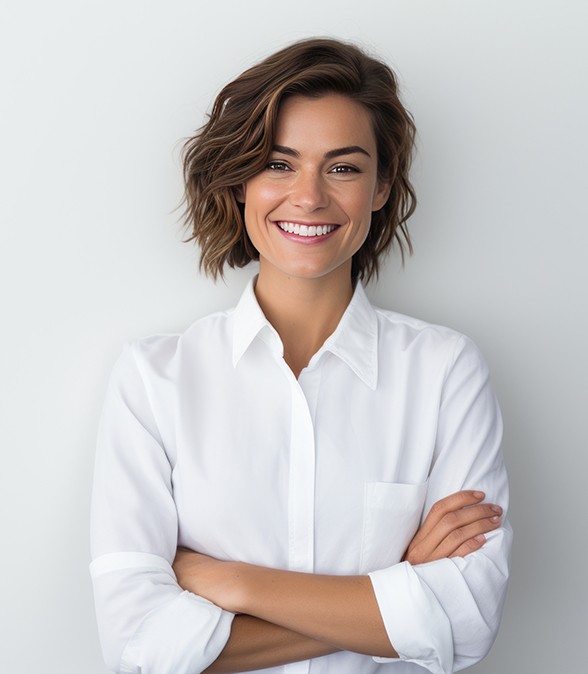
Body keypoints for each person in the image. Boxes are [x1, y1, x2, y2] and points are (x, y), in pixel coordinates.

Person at [90, 38, 511, 674]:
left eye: (343, 167)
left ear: (380, 187)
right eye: (279, 164)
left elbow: (469, 620)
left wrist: (234, 583)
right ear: (239, 182)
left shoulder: (445, 371)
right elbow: (141, 651)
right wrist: (401, 589)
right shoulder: (154, 381)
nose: (309, 197)